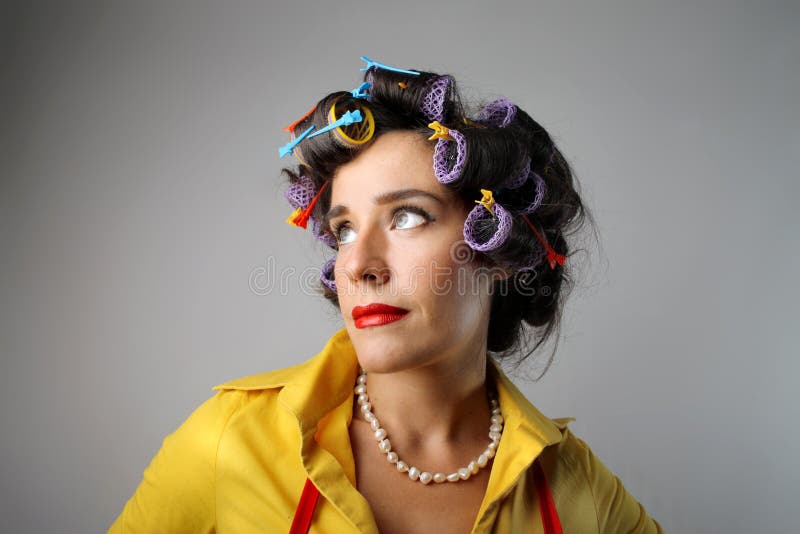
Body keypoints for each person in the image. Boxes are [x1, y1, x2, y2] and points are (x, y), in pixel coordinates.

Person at [109, 57, 664, 533]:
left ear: (497, 248)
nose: (359, 264)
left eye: (407, 217)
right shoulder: (230, 440)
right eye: (345, 228)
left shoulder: (576, 491)